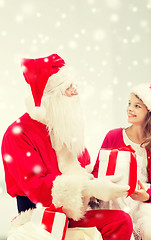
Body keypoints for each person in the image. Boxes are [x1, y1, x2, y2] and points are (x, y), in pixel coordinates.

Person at [1, 54, 133, 240]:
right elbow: (36, 188)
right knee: (119, 221)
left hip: (75, 213)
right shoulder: (18, 133)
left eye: (75, 86)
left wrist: (115, 182)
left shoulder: (65, 126)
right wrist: (89, 188)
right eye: (68, 88)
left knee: (122, 220)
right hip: (38, 216)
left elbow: (86, 168)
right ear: (50, 96)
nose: (76, 92)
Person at [92, 83, 151, 240]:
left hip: (142, 204)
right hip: (114, 200)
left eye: (137, 106)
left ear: (150, 112)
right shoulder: (113, 136)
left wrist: (146, 196)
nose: (130, 108)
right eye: (129, 103)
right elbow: (98, 171)